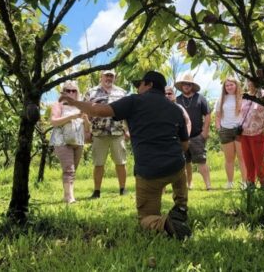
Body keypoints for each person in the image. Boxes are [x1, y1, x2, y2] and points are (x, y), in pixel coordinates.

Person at [61, 71, 192, 239]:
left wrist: (75, 103)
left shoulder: (134, 101)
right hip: (176, 167)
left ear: (149, 84)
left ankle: (165, 224)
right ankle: (181, 207)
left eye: (140, 85)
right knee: (179, 169)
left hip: (149, 172)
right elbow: (185, 145)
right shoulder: (175, 108)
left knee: (145, 218)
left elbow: (100, 110)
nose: (138, 89)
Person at [83, 70, 128, 198]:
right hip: (98, 133)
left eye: (111, 76)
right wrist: (86, 131)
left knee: (121, 162)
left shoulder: (122, 93)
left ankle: (123, 189)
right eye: (106, 75)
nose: (109, 78)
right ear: (101, 77)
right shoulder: (91, 92)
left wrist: (128, 130)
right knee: (98, 163)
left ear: (115, 78)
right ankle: (97, 191)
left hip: (117, 132)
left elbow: (128, 113)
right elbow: (84, 112)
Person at [50, 81, 90, 203]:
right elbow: (54, 121)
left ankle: (67, 194)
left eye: (74, 90)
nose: (71, 93)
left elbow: (88, 129)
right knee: (69, 169)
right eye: (68, 90)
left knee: (73, 170)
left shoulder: (81, 107)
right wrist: (72, 117)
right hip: (61, 141)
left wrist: (86, 120)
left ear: (77, 92)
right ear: (63, 92)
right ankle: (69, 197)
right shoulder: (58, 105)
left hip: (78, 141)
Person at [174, 73, 212, 190]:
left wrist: (205, 132)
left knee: (201, 160)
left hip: (197, 135)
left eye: (189, 84)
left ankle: (208, 185)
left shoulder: (200, 98)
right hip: (182, 137)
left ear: (192, 86)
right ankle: (189, 184)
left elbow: (208, 114)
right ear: (181, 86)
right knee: (185, 162)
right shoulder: (177, 99)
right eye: (184, 84)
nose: (186, 86)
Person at [214, 77, 247, 189]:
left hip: (239, 130)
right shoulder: (221, 99)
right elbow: (217, 115)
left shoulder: (243, 97)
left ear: (236, 85)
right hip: (225, 130)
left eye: (231, 85)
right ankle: (229, 182)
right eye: (227, 85)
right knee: (229, 159)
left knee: (242, 157)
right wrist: (219, 128)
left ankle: (244, 182)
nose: (229, 87)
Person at [239, 77, 264, 190]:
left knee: (259, 162)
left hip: (258, 133)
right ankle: (250, 186)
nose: (250, 83)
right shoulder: (244, 96)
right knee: (248, 161)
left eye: (252, 81)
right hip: (244, 134)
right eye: (248, 80)